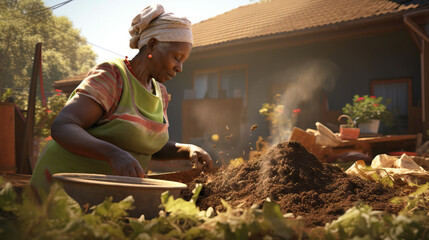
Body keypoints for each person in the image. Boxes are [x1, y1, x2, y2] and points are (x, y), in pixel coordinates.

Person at [30, 4, 213, 193]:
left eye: (183, 61)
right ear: (152, 45)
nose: (179, 68)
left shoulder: (161, 93)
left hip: (106, 197)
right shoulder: (113, 76)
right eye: (177, 57)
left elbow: (144, 145)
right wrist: (113, 154)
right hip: (62, 189)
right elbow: (63, 126)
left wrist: (187, 149)